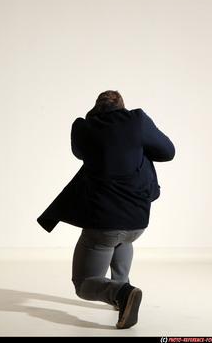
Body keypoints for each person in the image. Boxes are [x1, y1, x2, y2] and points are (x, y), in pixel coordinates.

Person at [37, 90, 175, 329]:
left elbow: (81, 153)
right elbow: (167, 152)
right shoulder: (137, 121)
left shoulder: (82, 128)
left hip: (103, 224)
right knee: (123, 239)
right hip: (137, 221)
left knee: (84, 282)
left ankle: (123, 293)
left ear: (95, 106)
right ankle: (123, 289)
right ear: (122, 106)